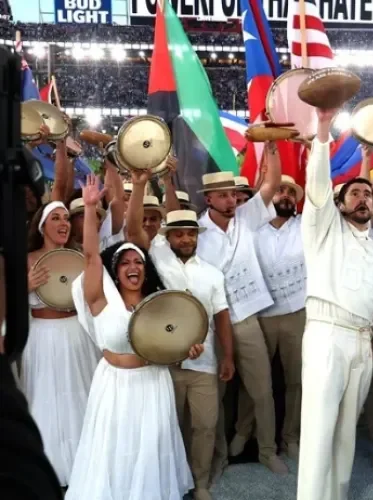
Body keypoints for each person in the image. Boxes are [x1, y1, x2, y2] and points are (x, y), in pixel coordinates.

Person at [297, 105, 373, 500]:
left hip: (363, 344)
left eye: (367, 193)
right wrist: (324, 130)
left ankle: (338, 495)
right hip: (326, 338)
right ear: (340, 204)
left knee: (347, 431)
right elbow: (316, 189)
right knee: (319, 430)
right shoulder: (322, 232)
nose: (363, 198)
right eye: (354, 193)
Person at [66, 174, 200, 500]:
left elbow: (177, 344)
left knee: (149, 449)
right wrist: (90, 206)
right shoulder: (101, 299)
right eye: (124, 262)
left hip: (153, 384)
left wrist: (190, 349)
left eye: (138, 261)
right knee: (116, 451)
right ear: (116, 270)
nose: (132, 266)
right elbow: (90, 257)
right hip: (114, 387)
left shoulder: (158, 304)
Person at [124, 169, 236, 500]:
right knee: (165, 428)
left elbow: (222, 317)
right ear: (168, 237)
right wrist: (143, 183)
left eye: (191, 234)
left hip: (204, 365)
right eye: (180, 235)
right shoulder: (155, 259)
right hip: (162, 363)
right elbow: (132, 230)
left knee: (204, 427)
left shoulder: (213, 275)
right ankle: (169, 482)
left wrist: (227, 356)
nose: (186, 239)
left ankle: (200, 483)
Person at [196, 149, 287, 476]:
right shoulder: (195, 232)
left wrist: (272, 146)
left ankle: (267, 451)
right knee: (217, 397)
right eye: (223, 196)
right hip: (210, 324)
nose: (231, 200)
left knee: (262, 390)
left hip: (246, 318)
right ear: (208, 199)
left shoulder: (247, 216)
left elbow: (272, 181)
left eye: (233, 194)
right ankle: (218, 458)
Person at [22, 199, 100, 487]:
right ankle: (51, 471)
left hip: (77, 335)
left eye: (66, 217)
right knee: (47, 400)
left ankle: (86, 466)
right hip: (43, 338)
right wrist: (25, 287)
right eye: (55, 218)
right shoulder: (26, 260)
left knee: (81, 396)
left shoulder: (80, 257)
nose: (63, 223)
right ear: (43, 226)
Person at [233, 174, 308, 460]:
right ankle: (244, 430)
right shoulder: (250, 228)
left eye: (291, 192)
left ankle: (291, 436)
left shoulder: (305, 228)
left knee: (295, 381)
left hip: (297, 314)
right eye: (280, 190)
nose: (286, 195)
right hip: (260, 314)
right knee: (254, 381)